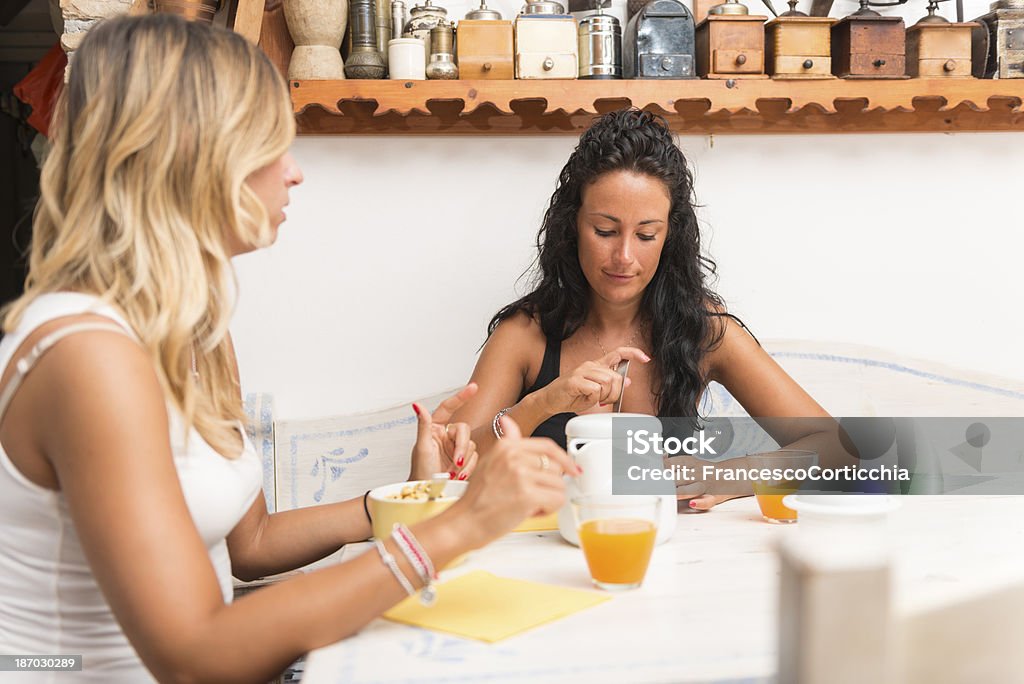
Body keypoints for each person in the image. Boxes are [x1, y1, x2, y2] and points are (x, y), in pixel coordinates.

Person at [0, 14, 577, 683]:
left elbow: (250, 544)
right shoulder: (87, 356)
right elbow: (194, 657)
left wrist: (410, 500)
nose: (296, 173)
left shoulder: (194, 330)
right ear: (190, 155)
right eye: (270, 146)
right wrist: (457, 527)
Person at [450, 108, 832, 511]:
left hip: (671, 557)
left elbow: (845, 452)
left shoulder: (702, 329)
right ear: (572, 225)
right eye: (605, 231)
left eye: (647, 234)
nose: (624, 256)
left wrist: (725, 474)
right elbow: (447, 473)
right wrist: (540, 406)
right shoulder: (526, 334)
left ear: (670, 236)